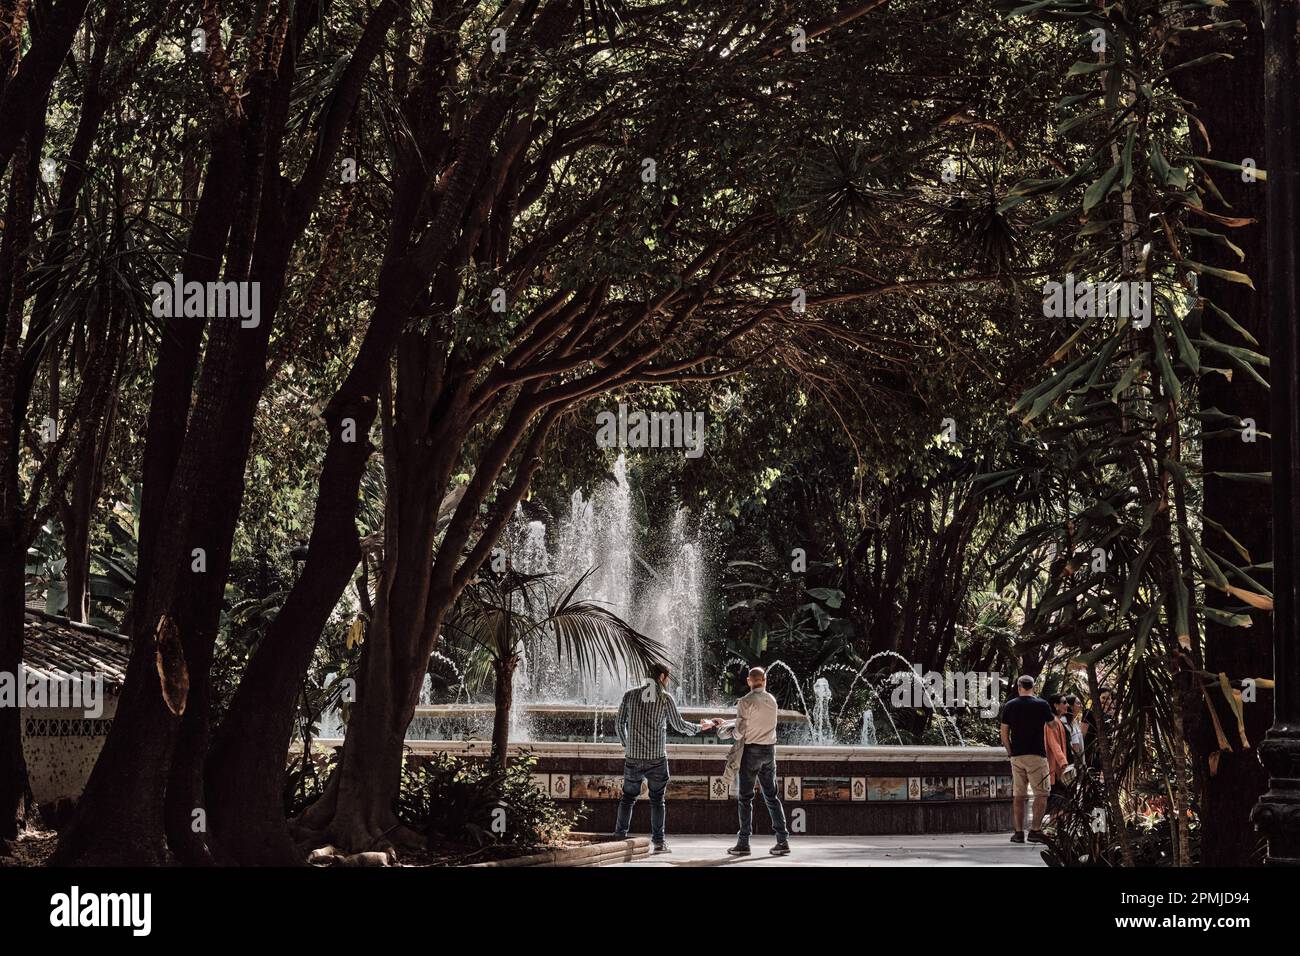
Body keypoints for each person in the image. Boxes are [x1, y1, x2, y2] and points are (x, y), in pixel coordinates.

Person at [613, 663, 716, 853]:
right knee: (657, 800)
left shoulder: (630, 695)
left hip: (633, 758)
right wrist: (701, 727)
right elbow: (679, 725)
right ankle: (659, 843)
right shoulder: (664, 698)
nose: (668, 681)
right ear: (661, 677)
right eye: (667, 678)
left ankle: (619, 838)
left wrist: (628, 747)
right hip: (657, 759)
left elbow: (619, 725)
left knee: (627, 798)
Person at [715, 666, 791, 856]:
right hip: (769, 751)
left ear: (749, 681)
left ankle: (744, 843)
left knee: (745, 798)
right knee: (771, 797)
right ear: (764, 680)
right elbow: (755, 720)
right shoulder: (772, 700)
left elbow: (740, 731)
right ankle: (783, 841)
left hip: (751, 753)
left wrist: (727, 731)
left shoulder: (745, 701)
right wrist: (728, 722)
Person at [999, 674, 1055, 844]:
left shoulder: (1010, 706)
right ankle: (1035, 830)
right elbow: (1052, 725)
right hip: (1036, 754)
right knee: (1042, 793)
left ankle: (1018, 833)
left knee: (1019, 795)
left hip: (1017, 756)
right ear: (1033, 687)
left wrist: (1010, 751)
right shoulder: (1042, 704)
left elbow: (1004, 732)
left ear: (1018, 687)